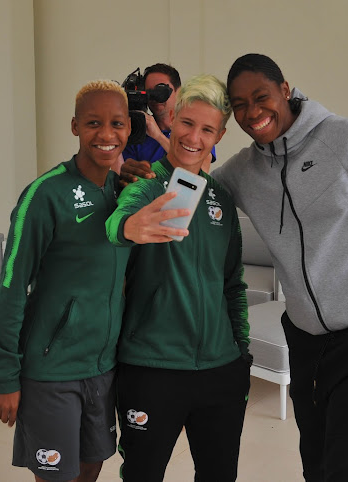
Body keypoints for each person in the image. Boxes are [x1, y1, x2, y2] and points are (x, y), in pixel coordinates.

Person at [120, 54, 348, 482]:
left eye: (261, 97)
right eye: (241, 105)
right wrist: (136, 173)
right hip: (303, 336)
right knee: (315, 460)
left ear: (285, 89)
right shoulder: (244, 171)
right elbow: (194, 174)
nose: (253, 112)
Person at [106, 74, 251, 482]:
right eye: (186, 123)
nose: (194, 137)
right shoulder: (144, 185)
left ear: (220, 134)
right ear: (171, 121)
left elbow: (232, 284)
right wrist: (128, 227)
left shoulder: (221, 198)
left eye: (207, 129)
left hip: (220, 370)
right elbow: (117, 224)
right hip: (152, 368)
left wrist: (241, 355)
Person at [0, 80, 132, 482]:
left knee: (92, 466)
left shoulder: (124, 195)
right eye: (93, 123)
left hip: (103, 368)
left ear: (128, 130)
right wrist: (6, 376)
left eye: (116, 123)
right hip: (51, 370)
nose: (106, 134)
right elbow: (11, 289)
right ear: (74, 127)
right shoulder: (44, 196)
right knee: (55, 477)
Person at [120, 63, 216, 173]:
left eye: (161, 90)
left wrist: (159, 137)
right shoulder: (138, 130)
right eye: (149, 92)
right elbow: (123, 176)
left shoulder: (196, 128)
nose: (155, 97)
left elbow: (201, 171)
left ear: (179, 92)